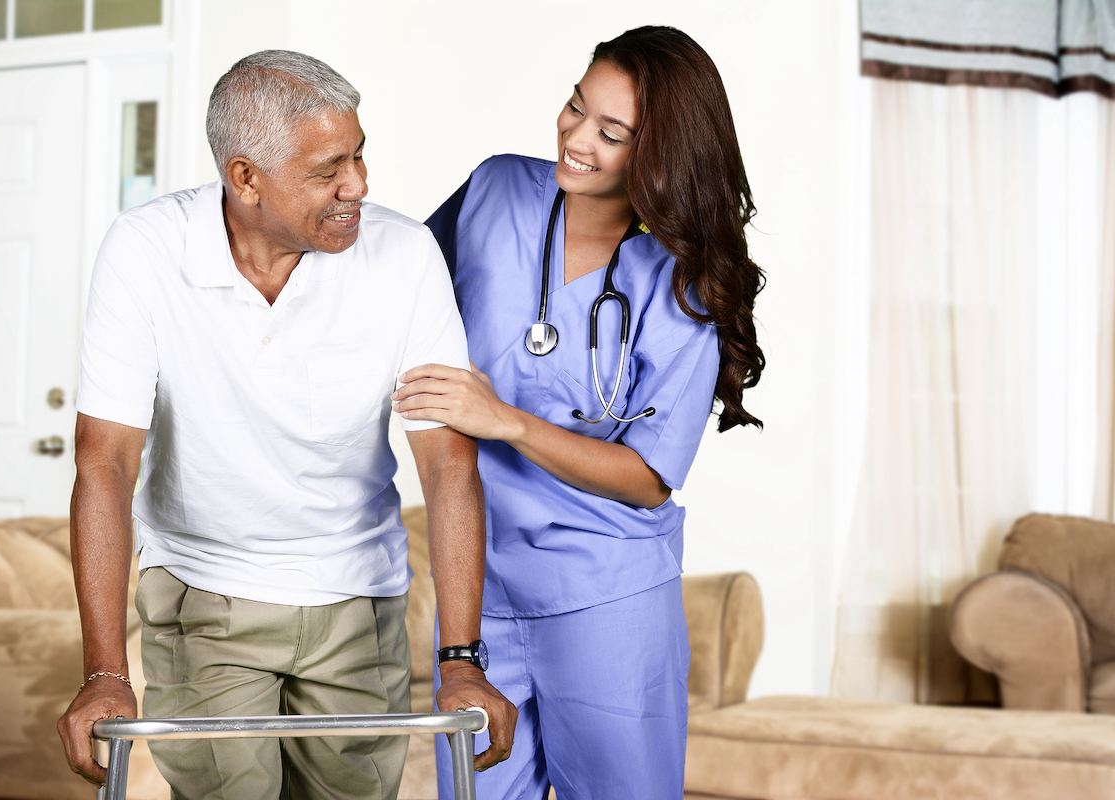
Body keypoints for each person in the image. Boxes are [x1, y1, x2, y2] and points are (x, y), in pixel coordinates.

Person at [56, 50, 516, 800]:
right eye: (328, 168)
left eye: (361, 155)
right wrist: (105, 674)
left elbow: (447, 466)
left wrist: (461, 656)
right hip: (205, 594)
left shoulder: (404, 256)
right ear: (245, 178)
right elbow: (104, 463)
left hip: (356, 598)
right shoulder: (145, 251)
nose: (358, 186)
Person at [392, 25, 765, 800]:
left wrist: (508, 421)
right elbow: (388, 294)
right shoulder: (495, 190)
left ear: (659, 154)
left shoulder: (686, 283)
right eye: (574, 107)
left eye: (612, 132)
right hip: (478, 590)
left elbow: (648, 476)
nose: (576, 137)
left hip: (606, 596)